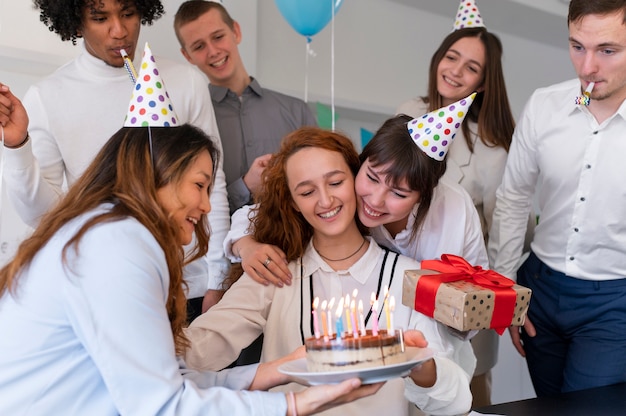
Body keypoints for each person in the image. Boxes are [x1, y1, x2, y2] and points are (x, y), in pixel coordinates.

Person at [0, 90, 381, 415]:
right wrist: (294, 404)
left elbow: (172, 377)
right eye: (199, 185)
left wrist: (282, 368)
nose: (204, 206)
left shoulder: (108, 233)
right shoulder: (119, 244)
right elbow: (164, 404)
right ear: (157, 173)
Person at [184, 127, 475, 416]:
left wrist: (421, 364)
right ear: (294, 204)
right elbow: (199, 348)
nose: (325, 201)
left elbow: (456, 401)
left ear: (356, 178)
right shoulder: (275, 276)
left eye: (335, 182)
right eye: (307, 191)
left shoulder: (409, 279)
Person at [0, 0, 230, 320]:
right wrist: (18, 146)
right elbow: (42, 215)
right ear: (76, 22)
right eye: (100, 18)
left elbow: (212, 183)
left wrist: (218, 277)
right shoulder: (48, 95)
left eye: (128, 14)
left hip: (191, 286)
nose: (119, 31)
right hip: (107, 285)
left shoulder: (185, 80)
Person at [489, 0, 626, 397]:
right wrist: (504, 288)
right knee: (548, 406)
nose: (587, 68)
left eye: (607, 51)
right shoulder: (546, 107)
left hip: (613, 302)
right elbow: (514, 197)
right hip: (538, 290)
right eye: (577, 46)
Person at [396, 24, 518, 407]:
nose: (455, 71)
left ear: (483, 82)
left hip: (465, 294)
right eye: (451, 57)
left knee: (464, 396)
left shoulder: (493, 147)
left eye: (471, 67)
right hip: (402, 287)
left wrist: (496, 300)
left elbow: (505, 229)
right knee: (404, 392)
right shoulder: (408, 112)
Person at [174, 0, 317, 215]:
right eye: (199, 46)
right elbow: (188, 201)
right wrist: (245, 186)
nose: (213, 51)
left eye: (218, 37)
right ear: (188, 56)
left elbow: (318, 181)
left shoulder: (297, 111)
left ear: (236, 32)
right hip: (220, 245)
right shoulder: (189, 124)